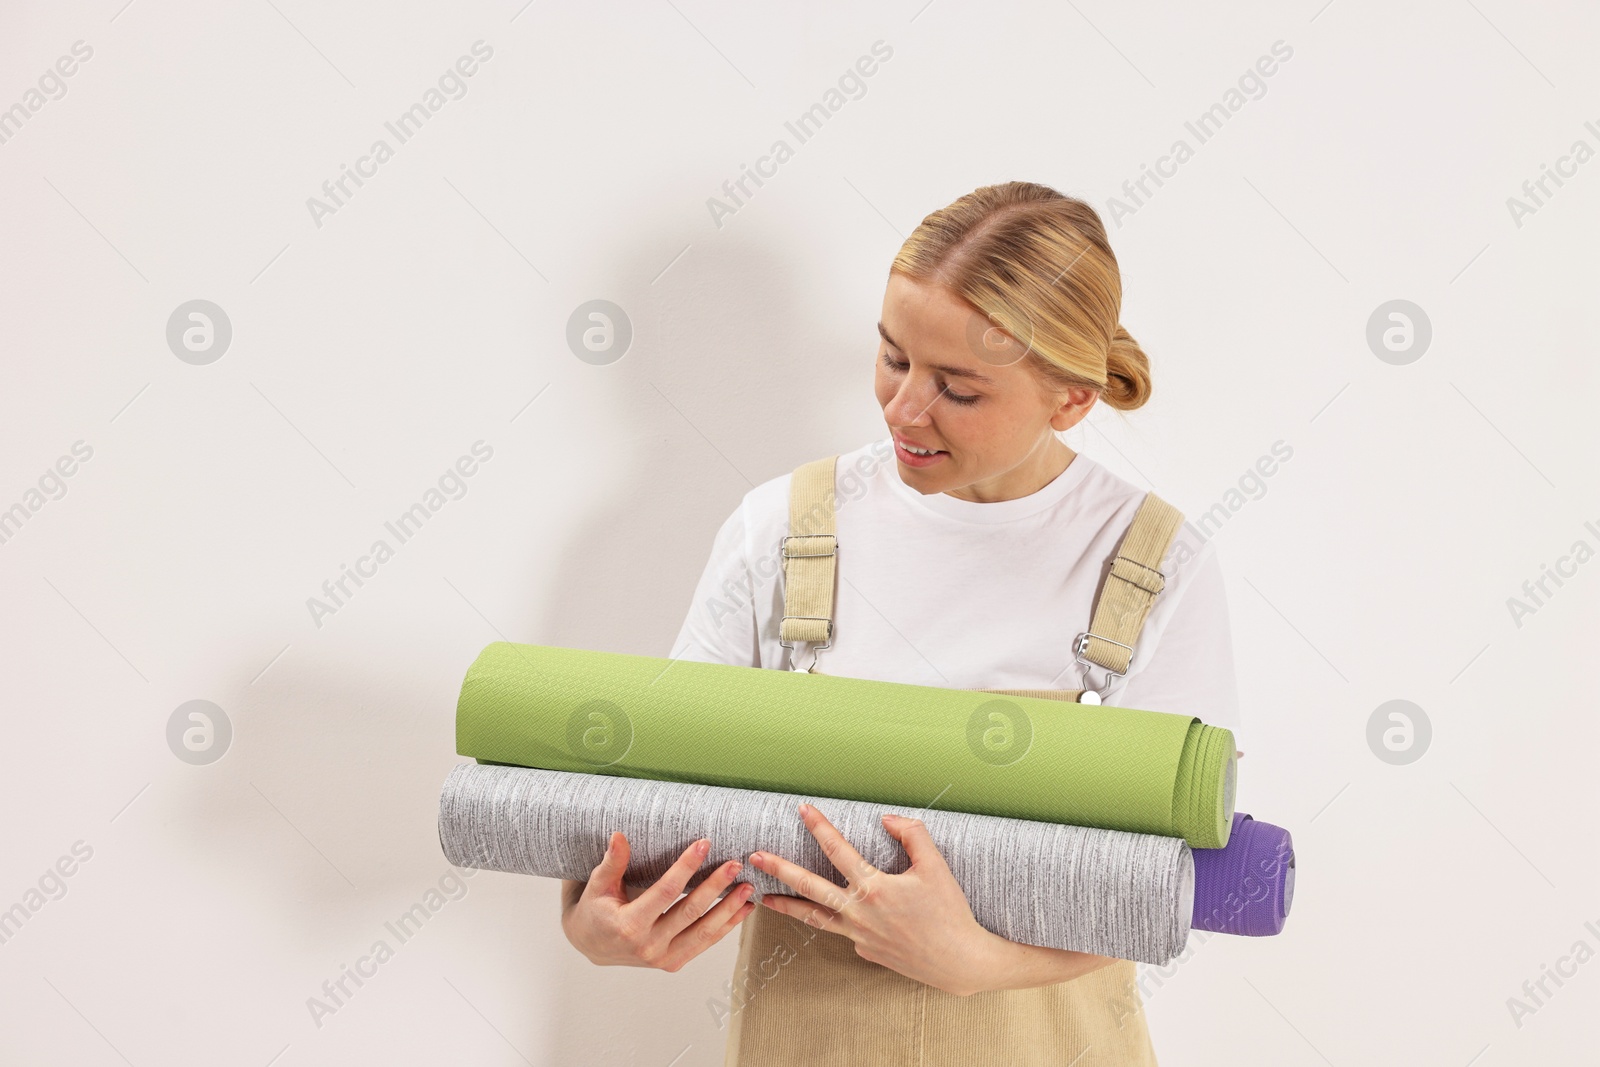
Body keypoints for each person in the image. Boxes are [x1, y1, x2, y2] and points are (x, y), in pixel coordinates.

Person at [559, 180, 1242, 1065]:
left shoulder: (1152, 563)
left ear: (1071, 399)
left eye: (957, 389)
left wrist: (978, 961)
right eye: (892, 357)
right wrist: (592, 918)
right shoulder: (786, 529)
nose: (902, 408)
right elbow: (659, 794)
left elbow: (1178, 877)